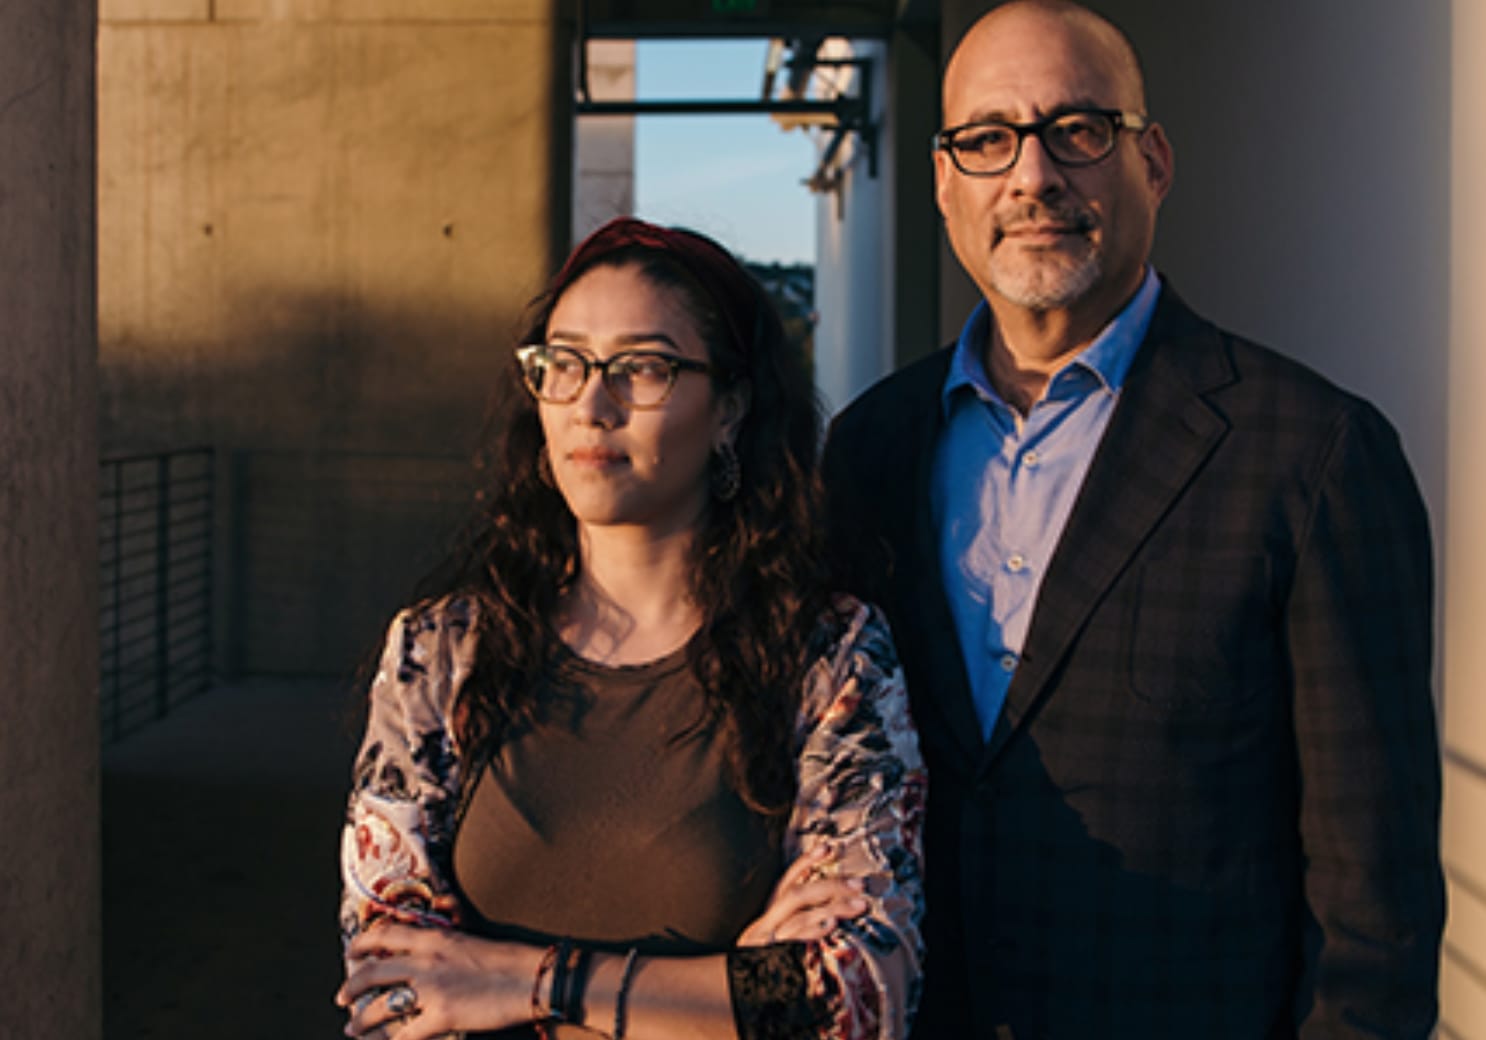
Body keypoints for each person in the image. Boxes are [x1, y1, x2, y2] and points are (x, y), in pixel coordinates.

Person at [821, 2, 1445, 1036]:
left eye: (1078, 130)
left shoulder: (1312, 453)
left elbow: (1371, 903)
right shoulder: (870, 449)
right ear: (943, 182)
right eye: (986, 140)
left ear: (1151, 160)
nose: (1031, 177)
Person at [336, 217, 925, 1040]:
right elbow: (392, 987)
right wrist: (727, 991)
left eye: (643, 368)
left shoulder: (827, 656)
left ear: (731, 407)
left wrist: (522, 980)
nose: (592, 404)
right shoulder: (441, 655)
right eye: (565, 364)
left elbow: (852, 997)